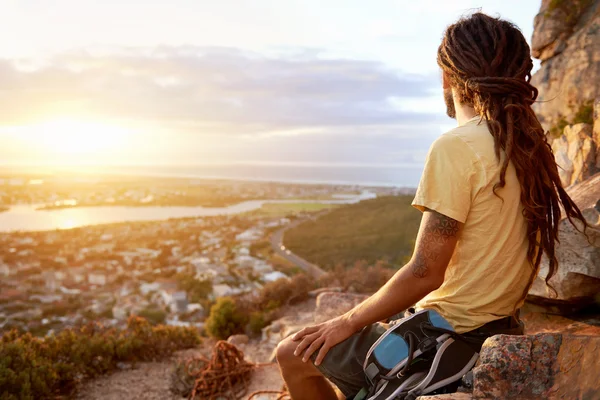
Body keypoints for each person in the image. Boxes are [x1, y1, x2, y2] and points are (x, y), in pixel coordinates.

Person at [276, 12, 589, 400]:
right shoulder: (528, 147)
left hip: (446, 330)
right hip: (499, 326)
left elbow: (426, 272)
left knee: (291, 353)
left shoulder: (457, 146)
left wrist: (346, 321)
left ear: (448, 76)